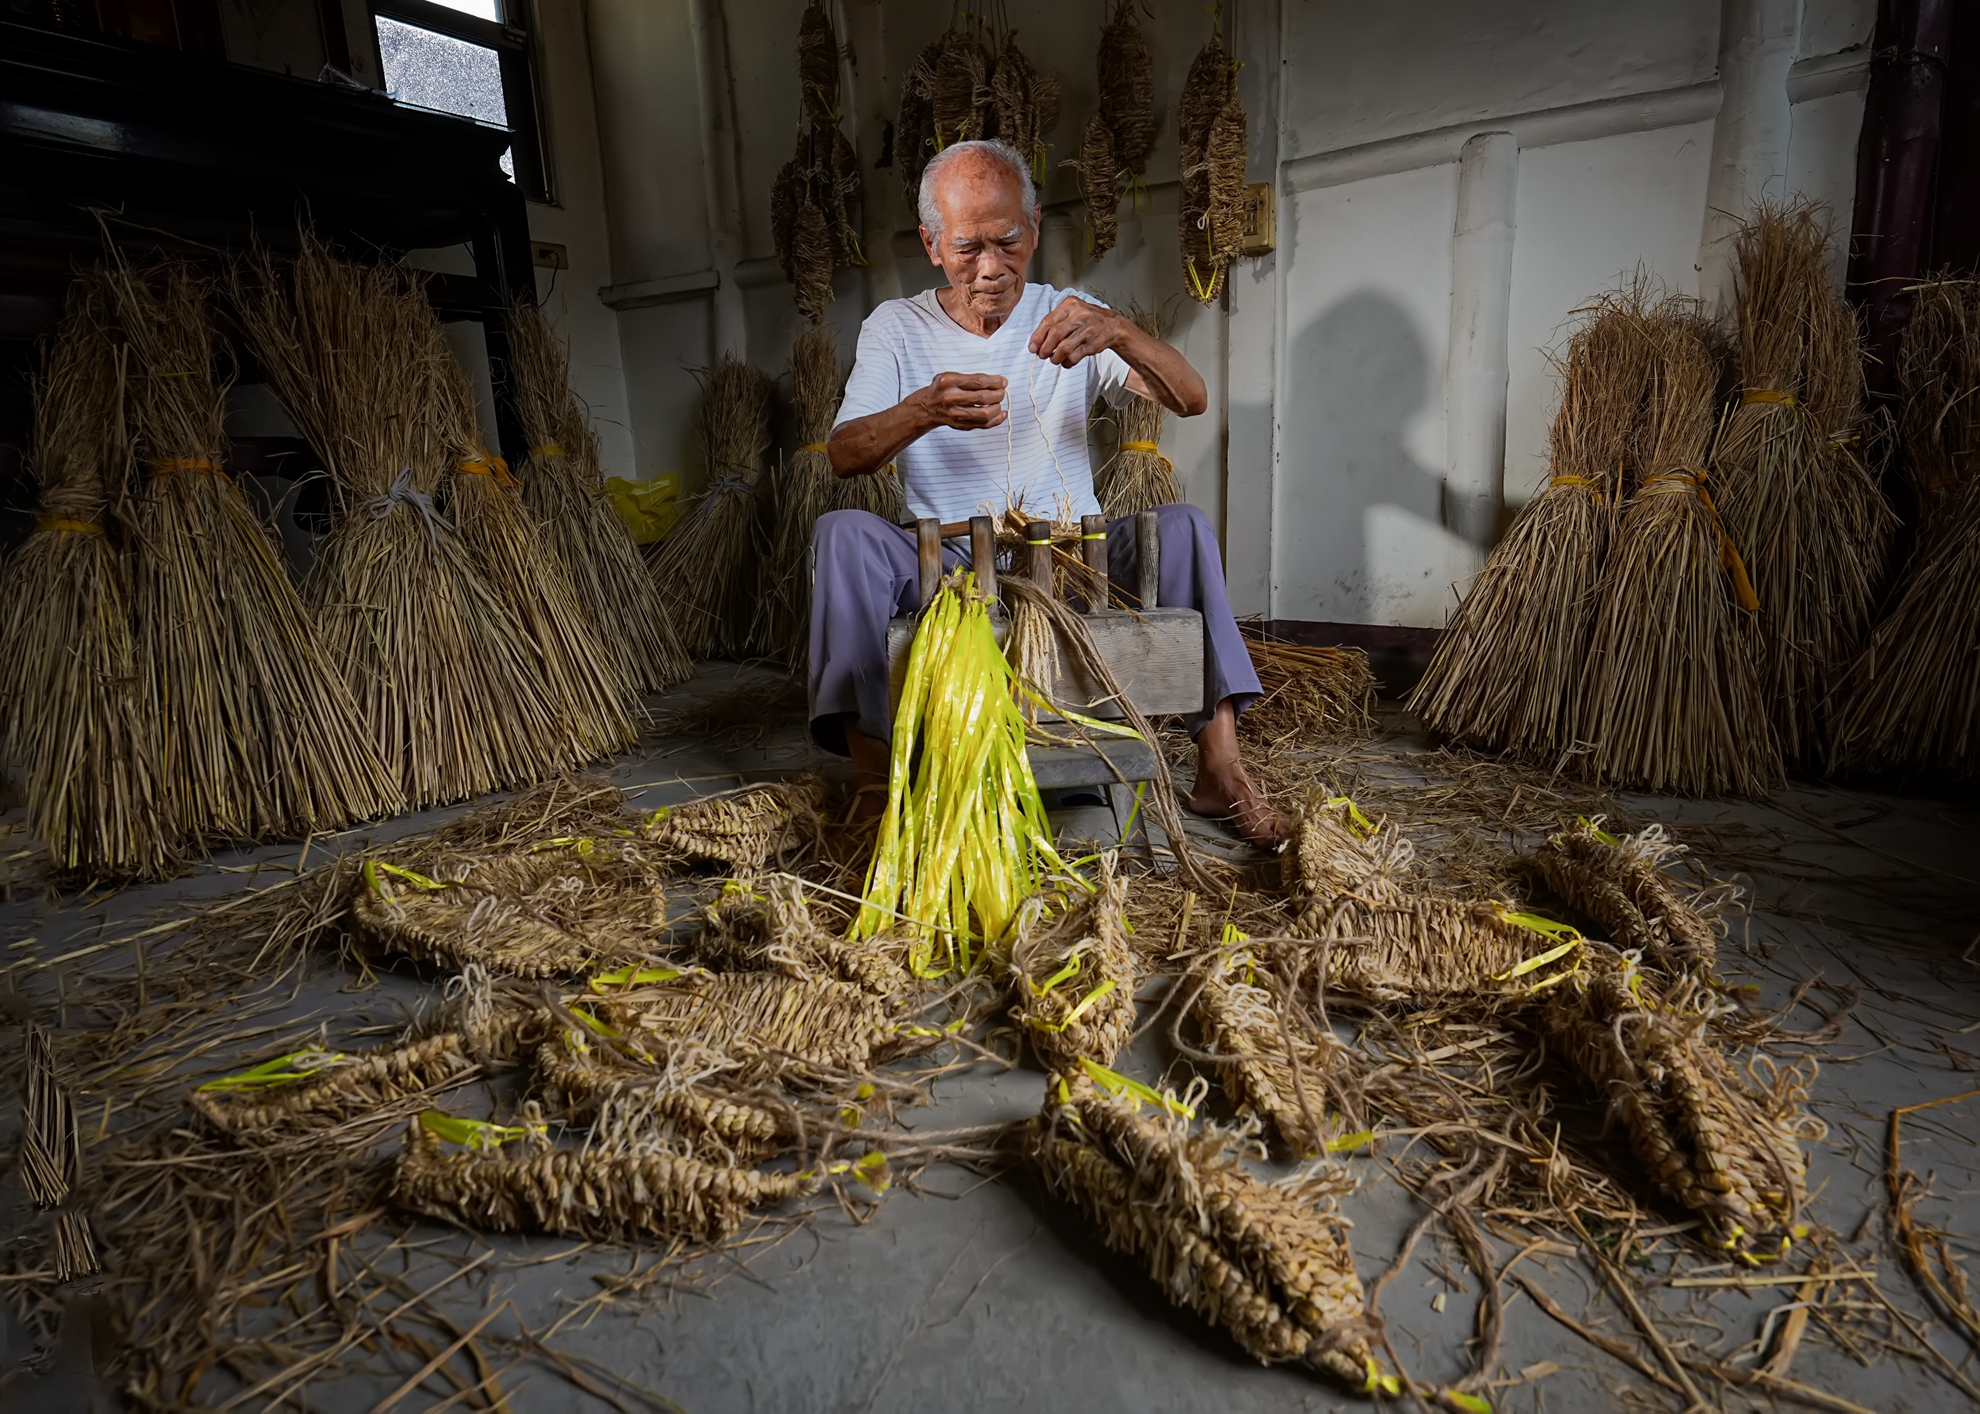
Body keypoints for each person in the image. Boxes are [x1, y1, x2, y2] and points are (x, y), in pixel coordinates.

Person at [809, 137, 1284, 848]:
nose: (992, 268)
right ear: (932, 245)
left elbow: (1189, 397)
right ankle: (878, 791)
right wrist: (924, 410)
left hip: (1071, 559)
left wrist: (1118, 332)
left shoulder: (1068, 313)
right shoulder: (898, 328)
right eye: (968, 248)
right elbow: (845, 455)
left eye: (1009, 242)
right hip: (947, 572)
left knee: (1182, 526)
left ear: (1032, 229)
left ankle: (1221, 769)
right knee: (841, 534)